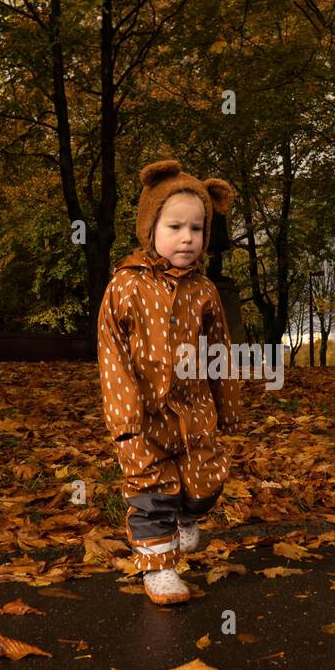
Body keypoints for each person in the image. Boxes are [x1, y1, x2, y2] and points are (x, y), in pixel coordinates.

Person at [97, 158, 242, 605]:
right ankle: (159, 569)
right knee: (150, 491)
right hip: (142, 414)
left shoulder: (205, 292)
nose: (186, 238)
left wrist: (227, 406)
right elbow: (112, 352)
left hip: (193, 409)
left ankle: (190, 514)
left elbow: (219, 350)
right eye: (175, 226)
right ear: (149, 227)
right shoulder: (124, 285)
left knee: (204, 484)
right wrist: (124, 414)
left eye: (197, 229)